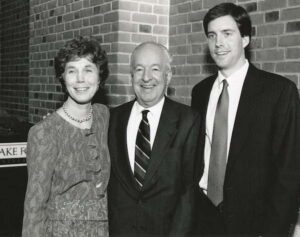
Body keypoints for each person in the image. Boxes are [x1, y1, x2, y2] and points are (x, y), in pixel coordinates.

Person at [191, 3, 300, 236]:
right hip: (202, 218)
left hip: (254, 225)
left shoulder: (279, 92)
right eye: (212, 35)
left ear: (246, 39)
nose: (218, 43)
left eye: (227, 34)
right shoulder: (199, 92)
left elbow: (289, 173)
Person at [108, 42, 201, 237]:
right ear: (131, 76)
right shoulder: (113, 119)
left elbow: (188, 193)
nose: (146, 77)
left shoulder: (188, 120)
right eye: (139, 69)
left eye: (155, 69)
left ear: (168, 76)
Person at [22, 36, 110, 237]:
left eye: (88, 70)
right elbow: (34, 208)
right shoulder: (44, 132)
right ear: (63, 77)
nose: (80, 79)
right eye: (72, 71)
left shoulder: (104, 115)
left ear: (100, 76)